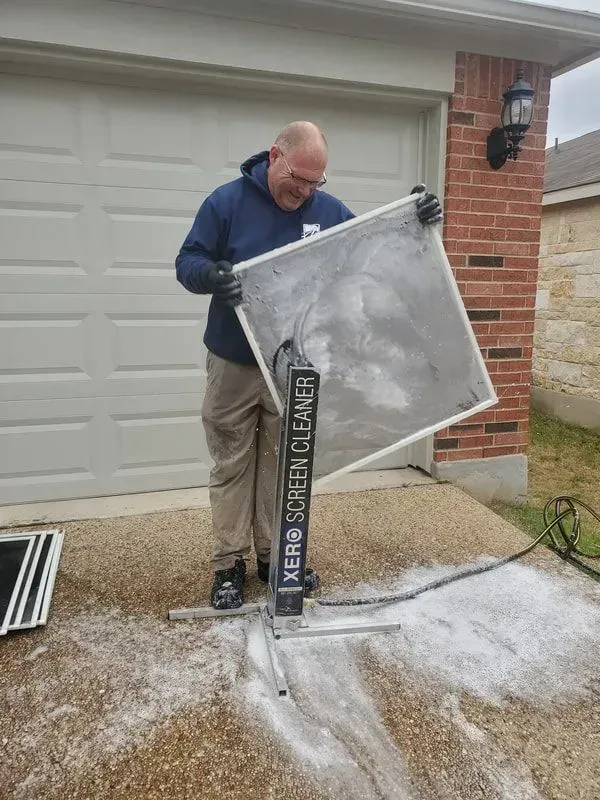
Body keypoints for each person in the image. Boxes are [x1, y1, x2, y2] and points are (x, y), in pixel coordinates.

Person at [176, 121, 442, 610]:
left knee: (284, 466)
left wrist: (417, 216)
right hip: (234, 364)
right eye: (297, 179)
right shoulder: (226, 203)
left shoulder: (327, 210)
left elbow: (373, 247)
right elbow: (187, 262)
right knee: (233, 462)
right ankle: (229, 564)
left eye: (314, 184)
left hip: (293, 366)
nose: (303, 192)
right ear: (275, 156)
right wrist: (213, 275)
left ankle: (275, 558)